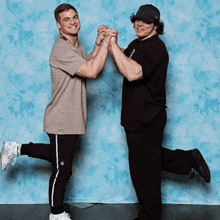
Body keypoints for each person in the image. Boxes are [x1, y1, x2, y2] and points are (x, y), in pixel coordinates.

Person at [0, 3, 117, 220]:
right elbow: (91, 72)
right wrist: (107, 44)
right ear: (58, 25)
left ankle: (15, 148)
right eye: (66, 19)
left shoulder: (76, 47)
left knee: (61, 160)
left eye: (75, 17)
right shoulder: (61, 49)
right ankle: (56, 213)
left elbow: (88, 62)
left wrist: (98, 43)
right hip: (61, 119)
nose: (73, 21)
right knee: (62, 170)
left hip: (73, 118)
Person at [107, 4, 211, 220]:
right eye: (136, 20)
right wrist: (108, 43)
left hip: (149, 117)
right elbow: (123, 64)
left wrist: (114, 46)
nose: (139, 24)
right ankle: (188, 159)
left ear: (156, 25)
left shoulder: (156, 47)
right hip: (132, 117)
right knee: (143, 164)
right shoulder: (136, 44)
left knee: (146, 170)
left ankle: (150, 215)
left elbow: (133, 73)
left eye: (145, 21)